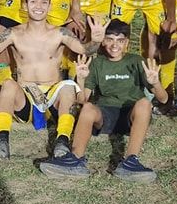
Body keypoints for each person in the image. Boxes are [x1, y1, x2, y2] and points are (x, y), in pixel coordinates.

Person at [0, 0, 105, 160]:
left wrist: (96, 41)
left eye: (44, 2)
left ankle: (62, 141)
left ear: (50, 6)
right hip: (26, 99)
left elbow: (84, 50)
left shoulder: (60, 33)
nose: (39, 6)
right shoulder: (13, 33)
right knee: (8, 84)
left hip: (53, 100)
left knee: (67, 87)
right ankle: (1, 140)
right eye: (33, 1)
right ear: (25, 5)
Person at [38, 19, 169, 182]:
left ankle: (130, 161)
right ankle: (75, 160)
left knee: (144, 103)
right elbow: (82, 100)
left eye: (120, 40)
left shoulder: (136, 61)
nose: (115, 45)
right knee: (87, 108)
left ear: (127, 42)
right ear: (103, 41)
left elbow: (163, 99)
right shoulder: (97, 63)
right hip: (106, 114)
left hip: (131, 115)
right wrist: (80, 79)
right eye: (110, 39)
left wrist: (155, 82)